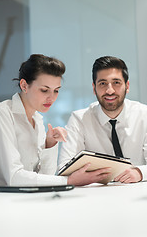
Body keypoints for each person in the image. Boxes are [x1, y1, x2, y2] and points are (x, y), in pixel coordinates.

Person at [0, 54, 110, 187]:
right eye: (44, 90)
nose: (51, 98)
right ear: (24, 85)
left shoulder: (38, 120)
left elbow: (45, 177)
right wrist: (69, 181)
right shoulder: (0, 113)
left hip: (26, 199)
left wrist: (50, 144)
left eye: (56, 91)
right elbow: (14, 177)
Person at [58, 56, 147, 184]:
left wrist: (140, 172)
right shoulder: (79, 119)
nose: (109, 90)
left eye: (116, 82)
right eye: (102, 83)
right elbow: (63, 167)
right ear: (94, 88)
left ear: (127, 86)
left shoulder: (144, 115)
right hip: (95, 195)